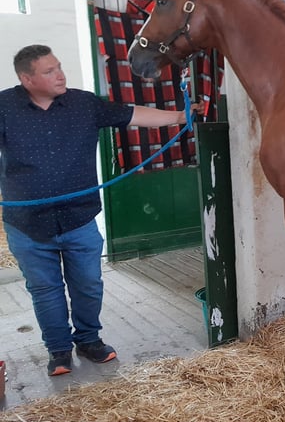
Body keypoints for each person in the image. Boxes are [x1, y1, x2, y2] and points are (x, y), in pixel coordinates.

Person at [0, 44, 199, 376]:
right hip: (27, 225)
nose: (60, 74)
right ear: (26, 78)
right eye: (49, 71)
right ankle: (59, 351)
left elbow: (131, 114)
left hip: (79, 218)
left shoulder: (83, 103)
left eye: (59, 66)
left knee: (89, 284)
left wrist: (179, 117)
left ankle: (89, 341)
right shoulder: (4, 107)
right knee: (44, 289)